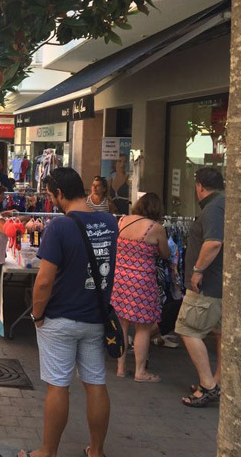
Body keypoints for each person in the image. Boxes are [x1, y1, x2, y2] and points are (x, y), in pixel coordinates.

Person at [21, 168, 119, 457]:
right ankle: (97, 451)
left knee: (58, 386)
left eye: (51, 197)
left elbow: (44, 281)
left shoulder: (60, 227)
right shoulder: (109, 222)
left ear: (60, 194)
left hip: (60, 317)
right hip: (95, 317)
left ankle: (47, 451)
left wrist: (37, 315)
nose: (52, 202)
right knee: (96, 383)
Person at [177, 167, 224, 408]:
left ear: (199, 186)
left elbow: (214, 243)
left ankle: (208, 385)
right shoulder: (224, 204)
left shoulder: (214, 208)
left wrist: (197, 270)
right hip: (219, 286)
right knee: (220, 334)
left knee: (187, 328)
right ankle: (217, 383)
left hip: (208, 285)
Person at [111, 193, 170, 382]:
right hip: (142, 282)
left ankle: (120, 368)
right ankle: (140, 372)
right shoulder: (156, 228)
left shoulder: (122, 221)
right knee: (143, 328)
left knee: (121, 326)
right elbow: (165, 254)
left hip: (119, 279)